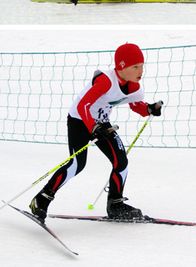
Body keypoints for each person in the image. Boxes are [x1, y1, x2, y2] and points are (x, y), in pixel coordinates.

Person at [30, 43, 164, 221]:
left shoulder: (134, 87)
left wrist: (148, 109)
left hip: (101, 123)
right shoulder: (106, 81)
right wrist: (93, 127)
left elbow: (135, 104)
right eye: (136, 66)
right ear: (121, 67)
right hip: (79, 120)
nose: (141, 70)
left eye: (142, 66)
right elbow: (83, 104)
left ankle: (115, 204)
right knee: (77, 164)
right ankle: (41, 199)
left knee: (121, 160)